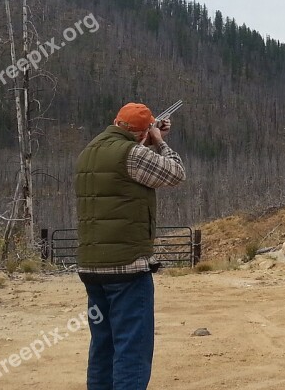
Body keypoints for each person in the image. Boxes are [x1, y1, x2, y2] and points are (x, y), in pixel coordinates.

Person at [75, 102, 186, 390]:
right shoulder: (133, 153)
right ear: (141, 133)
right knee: (131, 350)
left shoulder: (90, 151)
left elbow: (124, 170)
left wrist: (146, 138)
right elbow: (175, 173)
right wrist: (160, 142)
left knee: (103, 346)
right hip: (126, 268)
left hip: (91, 268)